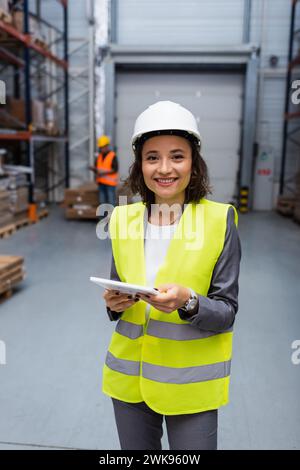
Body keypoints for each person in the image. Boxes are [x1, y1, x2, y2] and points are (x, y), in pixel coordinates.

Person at [102, 101, 242, 450]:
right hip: (129, 382)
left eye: (177, 156)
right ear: (140, 166)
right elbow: (118, 292)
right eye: (152, 157)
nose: (164, 168)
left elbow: (226, 311)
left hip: (190, 385)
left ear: (194, 165)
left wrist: (189, 302)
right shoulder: (121, 219)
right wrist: (114, 304)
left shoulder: (219, 220)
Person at [89, 135, 119, 207]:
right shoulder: (99, 156)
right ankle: (102, 218)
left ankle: (112, 218)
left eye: (102, 147)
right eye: (100, 147)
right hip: (101, 183)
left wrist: (103, 172)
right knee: (102, 203)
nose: (101, 149)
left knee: (111, 202)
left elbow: (115, 169)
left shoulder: (112, 156)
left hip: (110, 184)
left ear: (107, 146)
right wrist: (94, 169)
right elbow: (97, 169)